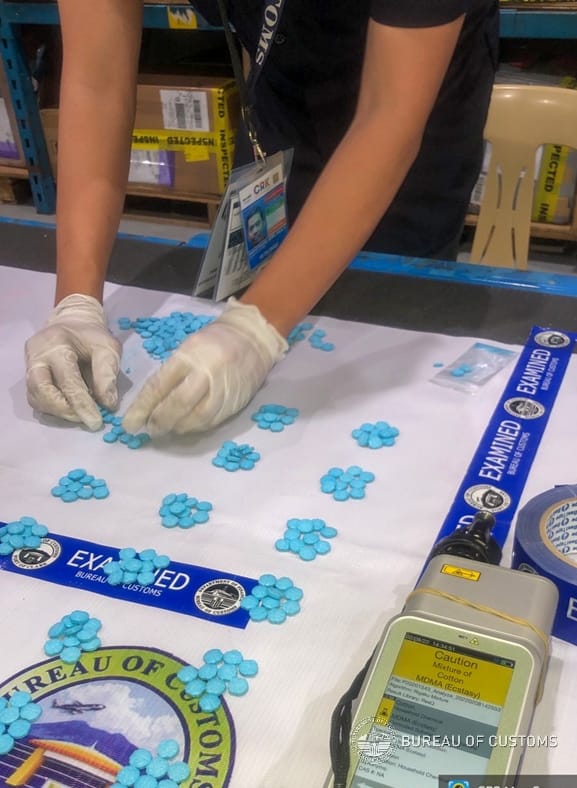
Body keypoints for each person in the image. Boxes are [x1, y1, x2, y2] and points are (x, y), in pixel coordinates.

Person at [25, 0, 498, 437]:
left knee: (373, 338)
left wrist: (254, 329)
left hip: (413, 93)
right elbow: (97, 82)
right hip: (281, 83)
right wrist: (76, 302)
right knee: (254, 273)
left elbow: (389, 113)